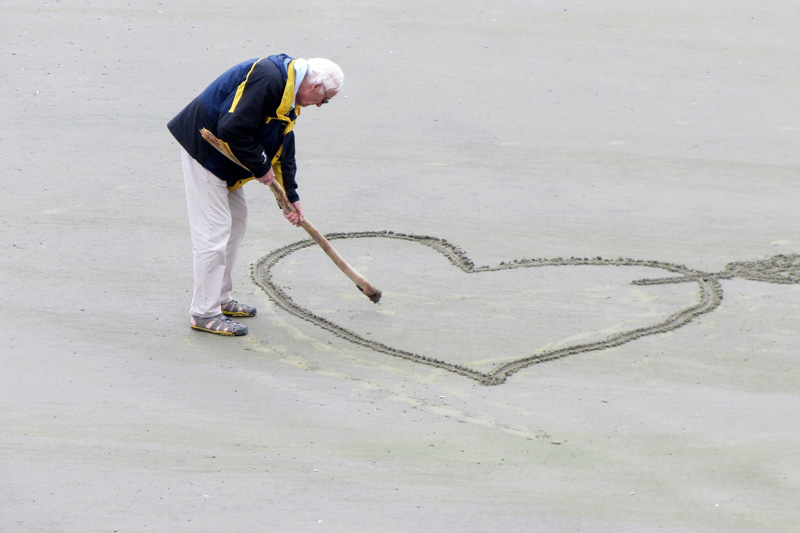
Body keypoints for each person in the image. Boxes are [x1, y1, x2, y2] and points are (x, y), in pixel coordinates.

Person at [167, 54, 343, 336]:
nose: (321, 106)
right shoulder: (270, 77)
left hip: (227, 160)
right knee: (214, 233)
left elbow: (283, 146)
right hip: (204, 151)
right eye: (325, 99)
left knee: (236, 223)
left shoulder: (289, 95)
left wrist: (290, 197)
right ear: (316, 86)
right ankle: (204, 312)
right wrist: (260, 168)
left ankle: (220, 299)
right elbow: (230, 127)